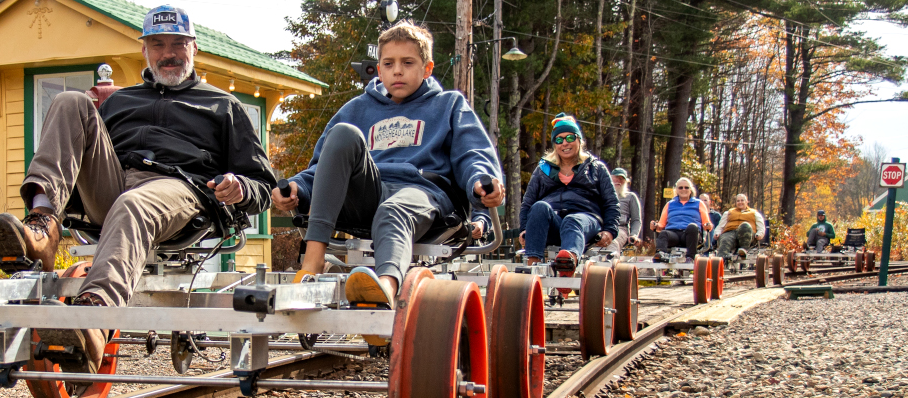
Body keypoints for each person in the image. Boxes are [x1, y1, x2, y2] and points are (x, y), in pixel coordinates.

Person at [0, 5, 276, 370]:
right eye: (158, 44)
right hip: (113, 183)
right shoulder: (121, 101)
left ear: (194, 48)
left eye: (177, 44)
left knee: (133, 204)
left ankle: (94, 318)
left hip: (179, 190)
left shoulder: (223, 105)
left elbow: (264, 186)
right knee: (69, 100)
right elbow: (84, 145)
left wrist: (240, 187)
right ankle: (43, 225)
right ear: (145, 51)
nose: (168, 53)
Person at [274, 20, 503, 308]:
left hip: (423, 193)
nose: (397, 70)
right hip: (369, 192)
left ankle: (384, 288)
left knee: (393, 210)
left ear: (427, 68)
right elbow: (323, 166)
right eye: (389, 63)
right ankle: (311, 264)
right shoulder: (357, 108)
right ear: (379, 69)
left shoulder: (448, 105)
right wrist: (298, 186)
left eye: (408, 62)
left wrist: (480, 182)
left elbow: (472, 155)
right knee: (343, 133)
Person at [515, 114, 617, 268]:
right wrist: (523, 230)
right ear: (554, 144)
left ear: (579, 140)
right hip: (554, 222)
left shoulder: (595, 167)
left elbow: (611, 203)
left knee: (572, 220)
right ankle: (533, 267)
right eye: (559, 139)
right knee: (539, 206)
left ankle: (567, 264)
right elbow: (528, 203)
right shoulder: (543, 169)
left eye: (570, 138)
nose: (564, 143)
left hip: (586, 220)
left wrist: (609, 230)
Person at [651, 177, 712, 256]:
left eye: (686, 187)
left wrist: (708, 226)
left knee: (692, 227)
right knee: (664, 233)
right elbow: (661, 225)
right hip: (673, 234)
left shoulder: (699, 203)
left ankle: (691, 257)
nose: (683, 189)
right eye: (680, 187)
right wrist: (655, 226)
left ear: (691, 190)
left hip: (690, 234)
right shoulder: (670, 204)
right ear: (676, 190)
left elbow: (706, 223)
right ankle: (660, 255)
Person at [711, 193, 766, 258]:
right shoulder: (729, 212)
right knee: (725, 239)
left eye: (742, 200)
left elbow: (761, 227)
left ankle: (743, 250)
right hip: (731, 233)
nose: (740, 202)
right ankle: (721, 258)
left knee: (745, 226)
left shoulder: (754, 213)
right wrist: (717, 233)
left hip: (746, 235)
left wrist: (759, 234)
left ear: (747, 201)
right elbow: (720, 226)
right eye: (738, 201)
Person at [607, 168, 641, 253]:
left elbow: (636, 220)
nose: (618, 180)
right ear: (610, 178)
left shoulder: (630, 197)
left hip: (620, 229)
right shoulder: (602, 196)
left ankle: (611, 264)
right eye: (616, 177)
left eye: (621, 178)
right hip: (602, 228)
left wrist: (634, 235)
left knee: (612, 242)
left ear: (625, 182)